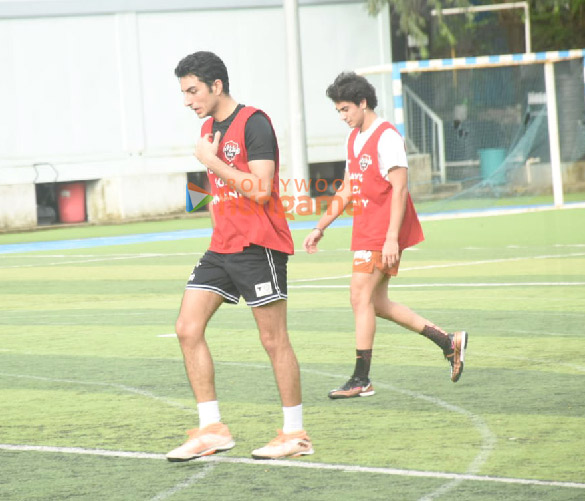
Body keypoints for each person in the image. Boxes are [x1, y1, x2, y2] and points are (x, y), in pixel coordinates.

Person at [167, 51, 313, 461]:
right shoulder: (209, 128)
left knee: (273, 339)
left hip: (259, 246)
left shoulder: (255, 123)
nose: (187, 100)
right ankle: (212, 428)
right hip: (222, 246)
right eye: (183, 92)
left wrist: (211, 161)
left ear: (216, 86)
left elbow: (262, 189)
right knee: (186, 328)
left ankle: (295, 434)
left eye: (192, 90)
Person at [303, 72, 468, 399]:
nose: (342, 116)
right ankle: (448, 342)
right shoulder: (353, 138)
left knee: (359, 296)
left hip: (382, 231)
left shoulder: (387, 136)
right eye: (338, 111)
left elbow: (400, 188)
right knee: (376, 302)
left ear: (363, 103)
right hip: (366, 230)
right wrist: (321, 225)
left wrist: (392, 238)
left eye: (346, 109)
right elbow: (348, 188)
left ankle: (361, 379)